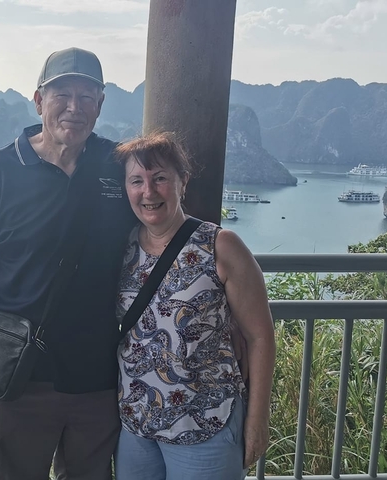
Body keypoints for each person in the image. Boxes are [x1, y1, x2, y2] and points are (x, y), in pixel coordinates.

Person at [0, 47, 137, 479]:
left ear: (100, 105)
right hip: (18, 379)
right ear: (38, 100)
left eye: (87, 97)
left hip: (98, 377)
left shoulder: (119, 167)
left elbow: (165, 222)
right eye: (62, 95)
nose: (74, 108)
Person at [111, 132, 276, 480]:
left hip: (206, 425)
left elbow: (260, 336)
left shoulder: (220, 246)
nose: (149, 192)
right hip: (136, 426)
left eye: (160, 179)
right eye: (137, 181)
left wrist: (257, 419)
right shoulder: (122, 247)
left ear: (182, 182)